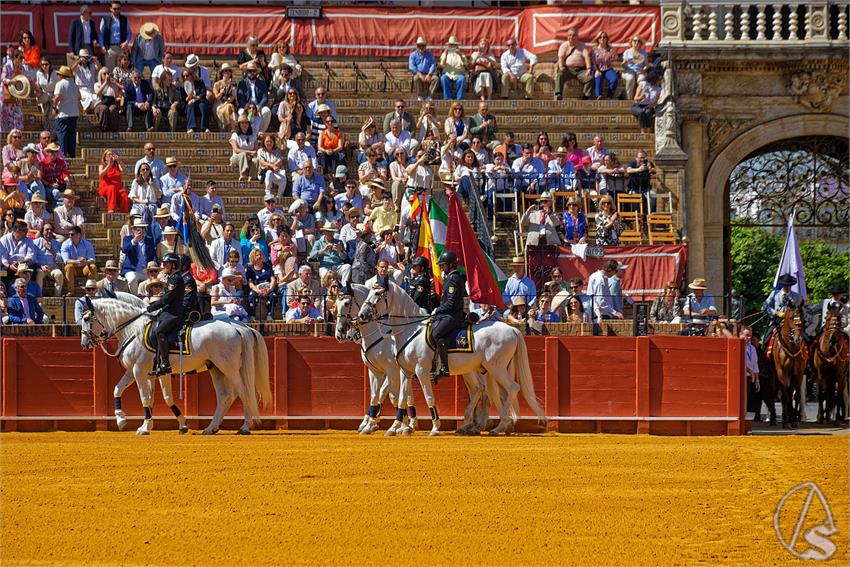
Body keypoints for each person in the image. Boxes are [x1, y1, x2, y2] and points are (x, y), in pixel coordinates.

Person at [428, 251, 466, 381]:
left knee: (436, 334)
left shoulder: (453, 278)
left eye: (443, 265)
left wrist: (438, 309)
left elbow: (450, 303)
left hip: (453, 316)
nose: (441, 267)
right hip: (448, 314)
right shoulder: (451, 277)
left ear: (450, 265)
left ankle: (445, 367)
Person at [146, 253, 184, 376]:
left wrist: (152, 307)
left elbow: (167, 299)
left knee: (159, 332)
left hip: (173, 314)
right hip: (168, 311)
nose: (164, 266)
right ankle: (156, 360)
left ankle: (165, 363)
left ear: (173, 265)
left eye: (166, 264)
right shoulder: (172, 277)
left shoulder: (175, 278)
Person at [761, 274, 803, 343]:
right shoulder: (774, 294)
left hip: (792, 322)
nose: (787, 287)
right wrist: (776, 312)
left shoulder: (797, 296)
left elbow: (799, 309)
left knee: (806, 338)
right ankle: (763, 352)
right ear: (782, 285)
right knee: (766, 340)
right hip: (777, 321)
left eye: (789, 285)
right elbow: (764, 306)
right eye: (785, 285)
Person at [554, 27, 592, 101]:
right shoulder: (564, 45)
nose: (571, 37)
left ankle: (585, 96)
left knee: (590, 79)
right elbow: (561, 57)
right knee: (560, 75)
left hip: (580, 70)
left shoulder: (582, 45)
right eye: (569, 35)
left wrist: (589, 69)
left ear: (577, 36)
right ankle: (559, 94)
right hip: (568, 69)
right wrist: (561, 66)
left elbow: (587, 56)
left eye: (574, 35)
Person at [120, 218, 157, 293]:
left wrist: (154, 266)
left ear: (144, 229)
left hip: (146, 270)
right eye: (137, 228)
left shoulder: (149, 240)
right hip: (132, 269)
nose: (139, 230)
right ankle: (136, 298)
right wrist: (134, 241)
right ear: (133, 229)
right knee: (132, 279)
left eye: (142, 228)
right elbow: (124, 249)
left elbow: (153, 255)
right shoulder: (128, 239)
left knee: (155, 280)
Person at [53, 65, 81, 158]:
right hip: (74, 112)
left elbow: (57, 97)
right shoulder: (75, 85)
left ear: (61, 75)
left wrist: (54, 107)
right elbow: (79, 97)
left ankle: (63, 155)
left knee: (63, 134)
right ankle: (72, 154)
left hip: (63, 113)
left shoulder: (60, 84)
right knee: (71, 134)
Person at [237, 61, 271, 134]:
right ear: (247, 72)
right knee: (241, 112)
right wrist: (248, 108)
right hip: (246, 106)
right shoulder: (242, 83)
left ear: (256, 72)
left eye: (254, 71)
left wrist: (259, 106)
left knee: (267, 111)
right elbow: (240, 98)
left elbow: (265, 97)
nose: (252, 73)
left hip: (258, 106)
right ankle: (245, 132)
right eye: (249, 71)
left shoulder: (262, 83)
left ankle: (260, 132)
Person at [60, 225, 97, 290]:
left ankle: (91, 289)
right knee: (69, 266)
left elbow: (92, 259)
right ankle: (71, 291)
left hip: (84, 268)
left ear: (79, 234)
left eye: (72, 234)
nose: (70, 236)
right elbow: (66, 260)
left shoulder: (87, 244)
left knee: (93, 267)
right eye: (69, 234)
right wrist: (78, 261)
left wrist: (85, 261)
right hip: (73, 269)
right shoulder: (65, 244)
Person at [33, 222, 65, 296]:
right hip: (40, 266)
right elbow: (33, 258)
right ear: (42, 231)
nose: (49, 231)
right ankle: (39, 297)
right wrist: (41, 266)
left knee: (59, 274)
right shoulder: (35, 242)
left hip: (52, 266)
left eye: (51, 230)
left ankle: (57, 297)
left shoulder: (56, 243)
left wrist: (51, 250)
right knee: (39, 274)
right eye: (47, 229)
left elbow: (60, 258)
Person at [587, 260, 623, 326]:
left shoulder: (595, 275)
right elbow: (601, 302)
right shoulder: (600, 280)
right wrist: (615, 312)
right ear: (611, 270)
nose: (615, 273)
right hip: (602, 315)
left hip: (596, 313)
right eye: (616, 271)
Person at [632, 67, 663, 134]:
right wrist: (641, 97)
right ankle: (643, 131)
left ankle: (648, 131)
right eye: (659, 79)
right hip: (638, 105)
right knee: (641, 112)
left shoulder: (658, 89)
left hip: (649, 106)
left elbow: (655, 102)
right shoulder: (643, 84)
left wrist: (649, 106)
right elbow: (635, 98)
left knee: (648, 112)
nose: (660, 81)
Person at [229, 111, 258, 182]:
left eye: (246, 123)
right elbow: (236, 150)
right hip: (237, 158)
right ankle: (242, 174)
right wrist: (249, 152)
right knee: (243, 154)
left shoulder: (253, 135)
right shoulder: (235, 135)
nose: (244, 124)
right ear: (239, 125)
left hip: (249, 158)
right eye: (242, 123)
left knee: (256, 160)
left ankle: (251, 177)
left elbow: (256, 149)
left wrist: (252, 154)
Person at [180, 68, 210, 133]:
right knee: (190, 104)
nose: (185, 77)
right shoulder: (183, 86)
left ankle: (205, 127)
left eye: (187, 75)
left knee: (203, 105)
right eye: (183, 76)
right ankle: (190, 127)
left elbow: (203, 94)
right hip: (189, 106)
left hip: (199, 102)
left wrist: (195, 98)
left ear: (192, 75)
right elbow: (183, 99)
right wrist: (188, 98)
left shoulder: (200, 82)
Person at [408, 37, 438, 102]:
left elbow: (433, 64)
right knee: (416, 78)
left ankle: (429, 96)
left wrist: (429, 74)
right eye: (419, 46)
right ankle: (420, 96)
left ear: (425, 46)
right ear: (417, 46)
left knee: (435, 79)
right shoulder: (413, 55)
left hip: (428, 74)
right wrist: (419, 74)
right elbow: (411, 66)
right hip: (418, 73)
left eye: (423, 45)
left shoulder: (430, 54)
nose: (421, 47)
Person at [591, 31, 618, 100]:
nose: (602, 38)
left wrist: (614, 54)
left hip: (608, 69)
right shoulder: (594, 49)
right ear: (597, 39)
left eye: (604, 37)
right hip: (597, 68)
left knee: (614, 79)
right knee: (598, 77)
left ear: (607, 39)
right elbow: (593, 62)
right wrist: (597, 70)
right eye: (600, 37)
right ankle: (598, 96)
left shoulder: (610, 49)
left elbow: (615, 58)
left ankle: (609, 96)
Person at [93, 67, 122, 131]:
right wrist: (105, 82)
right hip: (100, 104)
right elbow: (98, 93)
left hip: (111, 103)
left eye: (108, 73)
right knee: (104, 108)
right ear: (100, 75)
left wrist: (114, 84)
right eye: (104, 74)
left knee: (113, 108)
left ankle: (113, 129)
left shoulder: (112, 84)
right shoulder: (97, 84)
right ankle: (104, 128)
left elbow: (116, 95)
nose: (107, 75)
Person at [438, 36, 467, 100]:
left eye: (454, 45)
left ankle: (459, 98)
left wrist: (460, 54)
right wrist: (445, 54)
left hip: (458, 74)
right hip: (448, 74)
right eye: (451, 45)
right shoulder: (444, 54)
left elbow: (465, 64)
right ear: (449, 46)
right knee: (443, 78)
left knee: (461, 79)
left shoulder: (461, 54)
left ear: (457, 45)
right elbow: (442, 65)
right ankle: (448, 98)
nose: (453, 46)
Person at [622, 36, 648, 101]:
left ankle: (639, 100)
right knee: (630, 79)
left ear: (641, 43)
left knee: (642, 80)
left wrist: (643, 70)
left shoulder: (643, 53)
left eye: (638, 41)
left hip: (639, 71)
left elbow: (647, 65)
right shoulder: (627, 52)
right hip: (629, 71)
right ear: (632, 42)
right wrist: (626, 62)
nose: (636, 42)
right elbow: (623, 66)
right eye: (635, 41)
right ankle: (628, 100)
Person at [35, 59, 59, 131]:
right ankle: (46, 131)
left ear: (50, 65)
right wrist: (37, 92)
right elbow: (38, 85)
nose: (44, 66)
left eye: (46, 64)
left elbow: (58, 85)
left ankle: (53, 134)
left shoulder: (55, 73)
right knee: (45, 114)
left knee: (51, 116)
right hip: (44, 95)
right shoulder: (39, 73)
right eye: (43, 64)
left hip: (53, 95)